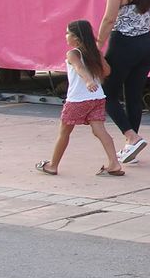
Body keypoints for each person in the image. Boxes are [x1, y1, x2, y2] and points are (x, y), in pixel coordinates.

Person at [96, 0, 150, 164]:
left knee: (107, 93)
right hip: (147, 45)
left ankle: (131, 137)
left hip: (123, 44)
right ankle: (131, 147)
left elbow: (109, 19)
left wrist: (98, 44)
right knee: (133, 95)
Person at [35, 20, 125, 177]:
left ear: (76, 38)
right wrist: (99, 60)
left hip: (78, 100)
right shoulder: (95, 53)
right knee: (100, 131)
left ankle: (52, 165)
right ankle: (114, 163)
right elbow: (107, 71)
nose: (66, 36)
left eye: (68, 33)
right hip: (97, 98)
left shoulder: (73, 54)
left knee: (64, 132)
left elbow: (79, 67)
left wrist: (88, 80)